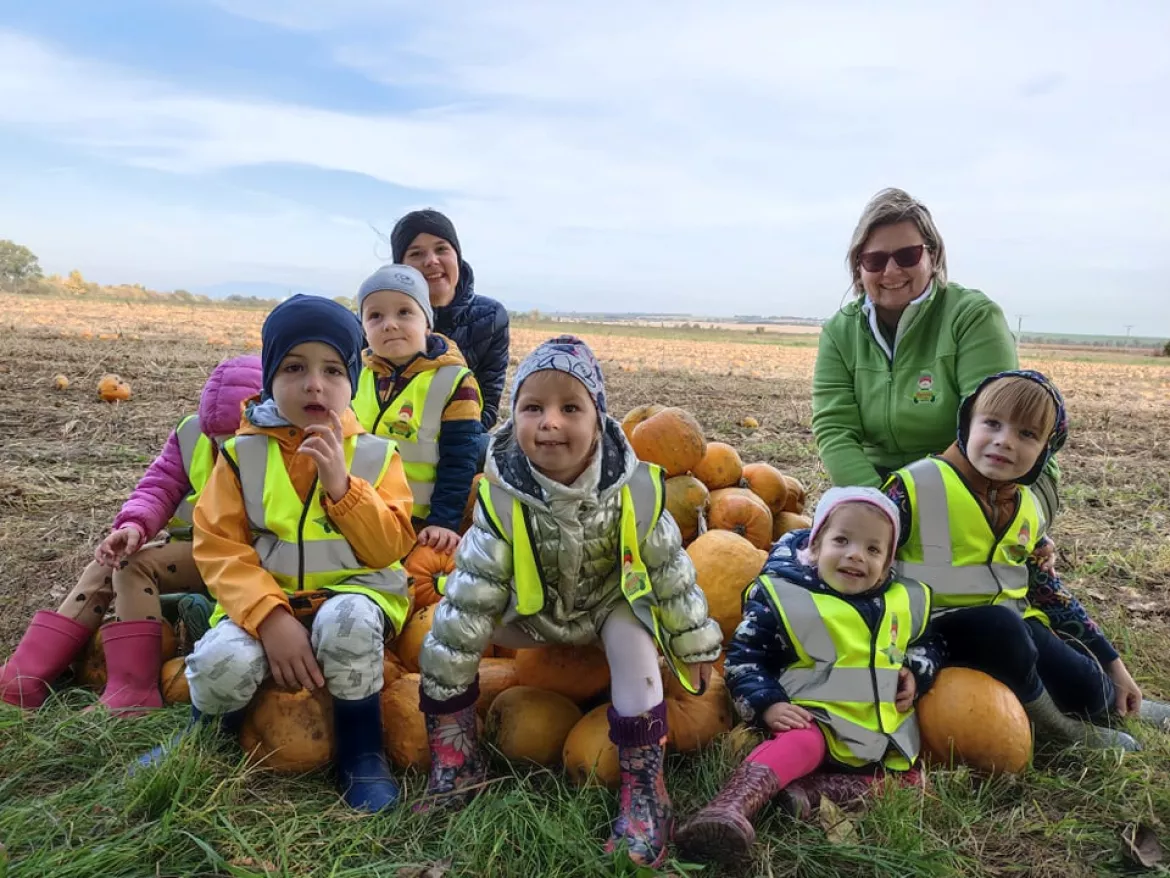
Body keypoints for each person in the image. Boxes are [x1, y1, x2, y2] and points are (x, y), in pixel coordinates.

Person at [415, 336, 722, 868]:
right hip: (530, 615)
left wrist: (693, 643)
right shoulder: (502, 495)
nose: (550, 422)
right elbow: (471, 595)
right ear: (514, 418)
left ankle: (644, 789)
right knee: (457, 625)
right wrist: (448, 674)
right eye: (533, 407)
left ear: (599, 419)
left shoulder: (638, 490)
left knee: (637, 650)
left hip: (606, 604)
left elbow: (672, 573)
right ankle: (454, 758)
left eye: (570, 407)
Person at [150, 295, 417, 813]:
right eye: (294, 367)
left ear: (354, 381)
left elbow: (391, 546)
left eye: (333, 369)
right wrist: (270, 618)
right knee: (220, 661)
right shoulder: (240, 455)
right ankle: (203, 735)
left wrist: (344, 488)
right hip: (266, 604)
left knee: (349, 626)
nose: (314, 383)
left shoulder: (376, 456)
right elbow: (219, 548)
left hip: (352, 596)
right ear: (270, 378)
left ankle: (362, 750)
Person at [886, 370, 1170, 750]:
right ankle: (1057, 730)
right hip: (928, 632)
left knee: (1081, 680)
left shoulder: (1028, 508)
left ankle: (1114, 704)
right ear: (967, 424)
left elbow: (1049, 592)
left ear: (1044, 452)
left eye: (1027, 434)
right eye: (992, 423)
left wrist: (1113, 665)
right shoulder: (914, 485)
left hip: (1012, 629)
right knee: (1001, 625)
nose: (1005, 442)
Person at [676, 488, 940, 866]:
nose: (855, 555)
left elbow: (928, 644)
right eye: (842, 540)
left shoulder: (902, 601)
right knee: (803, 742)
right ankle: (729, 808)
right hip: (811, 714)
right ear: (815, 546)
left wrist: (916, 671)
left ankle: (812, 794)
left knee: (911, 783)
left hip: (879, 726)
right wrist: (768, 704)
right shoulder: (787, 598)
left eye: (872, 549)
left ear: (887, 564)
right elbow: (745, 658)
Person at [0, 356, 262, 713]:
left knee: (134, 568)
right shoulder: (192, 434)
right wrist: (133, 526)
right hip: (198, 548)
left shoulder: (276, 447)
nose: (223, 448)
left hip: (242, 557)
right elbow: (159, 486)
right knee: (106, 564)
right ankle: (22, 681)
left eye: (232, 440)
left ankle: (133, 694)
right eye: (215, 438)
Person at [811, 188, 1060, 524]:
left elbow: (993, 424)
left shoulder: (972, 316)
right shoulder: (839, 332)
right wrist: (881, 507)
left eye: (907, 255)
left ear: (933, 256)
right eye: (875, 260)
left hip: (991, 474)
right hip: (886, 480)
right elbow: (834, 428)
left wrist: (922, 506)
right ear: (859, 267)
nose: (891, 271)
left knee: (954, 558)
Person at [352, 264, 484, 585]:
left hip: (419, 524)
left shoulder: (454, 382)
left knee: (407, 592)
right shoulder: (356, 374)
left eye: (404, 312)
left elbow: (459, 460)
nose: (390, 324)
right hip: (360, 514)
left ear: (427, 322)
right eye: (375, 317)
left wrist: (444, 521)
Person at [390, 209, 510, 431]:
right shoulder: (381, 320)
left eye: (441, 249)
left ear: (457, 255)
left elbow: (488, 405)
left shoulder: (491, 318)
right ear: (400, 268)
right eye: (416, 253)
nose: (431, 261)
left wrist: (454, 447)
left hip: (459, 443)